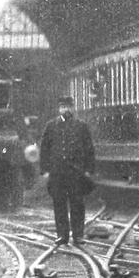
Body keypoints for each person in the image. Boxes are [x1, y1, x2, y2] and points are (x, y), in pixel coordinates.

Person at [36, 95, 97, 245]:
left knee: (77, 203)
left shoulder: (81, 126)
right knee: (59, 204)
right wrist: (45, 170)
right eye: (63, 107)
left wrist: (89, 169)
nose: (65, 110)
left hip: (76, 172)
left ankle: (78, 235)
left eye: (68, 107)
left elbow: (89, 149)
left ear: (73, 108)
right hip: (57, 173)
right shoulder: (51, 126)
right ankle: (62, 236)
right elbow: (44, 149)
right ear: (59, 109)